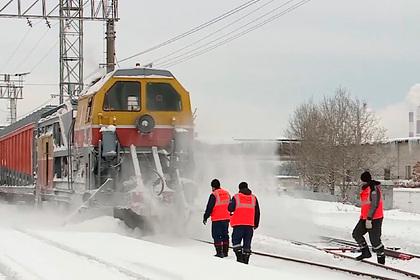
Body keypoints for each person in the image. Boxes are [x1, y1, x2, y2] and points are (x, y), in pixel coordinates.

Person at [352, 171, 385, 265]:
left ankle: (381, 261)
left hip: (375, 218)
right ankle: (365, 252)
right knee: (356, 233)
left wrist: (369, 218)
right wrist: (365, 218)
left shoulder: (373, 188)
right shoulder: (365, 188)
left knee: (375, 242)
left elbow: (374, 204)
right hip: (364, 218)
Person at [228, 182, 260, 264]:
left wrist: (230, 203)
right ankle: (245, 261)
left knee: (236, 241)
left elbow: (230, 209)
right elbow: (257, 212)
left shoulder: (236, 197)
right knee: (247, 243)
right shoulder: (254, 198)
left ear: (239, 189)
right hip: (249, 225)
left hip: (238, 224)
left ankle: (239, 259)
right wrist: (256, 224)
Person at [203, 179, 231, 258]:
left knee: (216, 235)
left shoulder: (214, 194)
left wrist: (205, 217)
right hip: (226, 218)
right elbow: (231, 205)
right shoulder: (227, 193)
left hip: (217, 219)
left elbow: (209, 207)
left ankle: (219, 253)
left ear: (213, 187)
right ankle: (225, 252)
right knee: (225, 235)